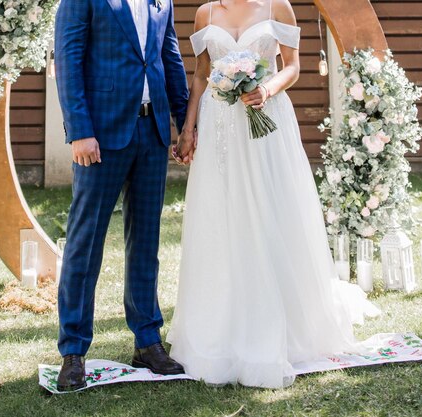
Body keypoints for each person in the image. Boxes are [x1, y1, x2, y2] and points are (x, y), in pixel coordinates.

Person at [167, 0, 381, 388]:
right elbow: (200, 76)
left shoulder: (277, 7)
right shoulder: (205, 14)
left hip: (266, 124)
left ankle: (282, 320)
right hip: (220, 131)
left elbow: (293, 67)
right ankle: (222, 324)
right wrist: (188, 127)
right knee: (222, 217)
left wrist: (266, 88)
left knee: (271, 213)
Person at [53, 0, 189, 391]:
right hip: (100, 135)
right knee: (85, 242)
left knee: (145, 243)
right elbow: (68, 58)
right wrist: (79, 130)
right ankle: (74, 350)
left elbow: (170, 57)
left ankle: (147, 341)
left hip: (153, 133)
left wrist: (183, 122)